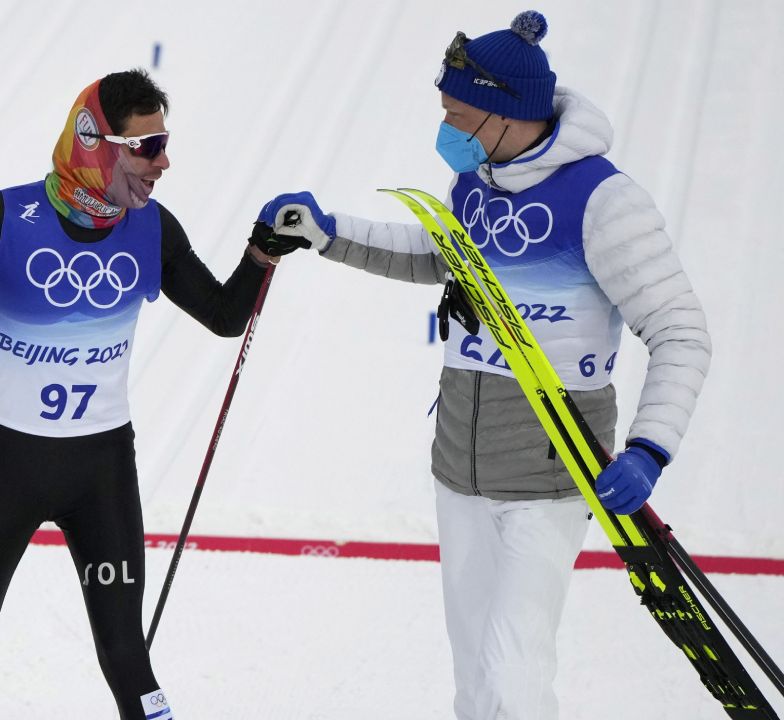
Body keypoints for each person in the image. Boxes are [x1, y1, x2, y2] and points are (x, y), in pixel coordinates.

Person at [259, 11, 712, 720]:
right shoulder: (478, 183)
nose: (447, 128)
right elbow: (438, 256)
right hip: (459, 469)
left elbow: (681, 330)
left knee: (514, 669)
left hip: (551, 469)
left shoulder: (604, 200)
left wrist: (651, 448)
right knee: (475, 678)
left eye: (458, 113)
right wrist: (327, 233)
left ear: (505, 113)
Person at [0, 69, 291, 720]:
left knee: (128, 658)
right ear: (95, 145)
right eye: (146, 146)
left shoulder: (151, 229)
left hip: (98, 473)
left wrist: (262, 254)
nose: (163, 162)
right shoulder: (2, 219)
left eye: (163, 142)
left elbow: (222, 315)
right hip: (3, 471)